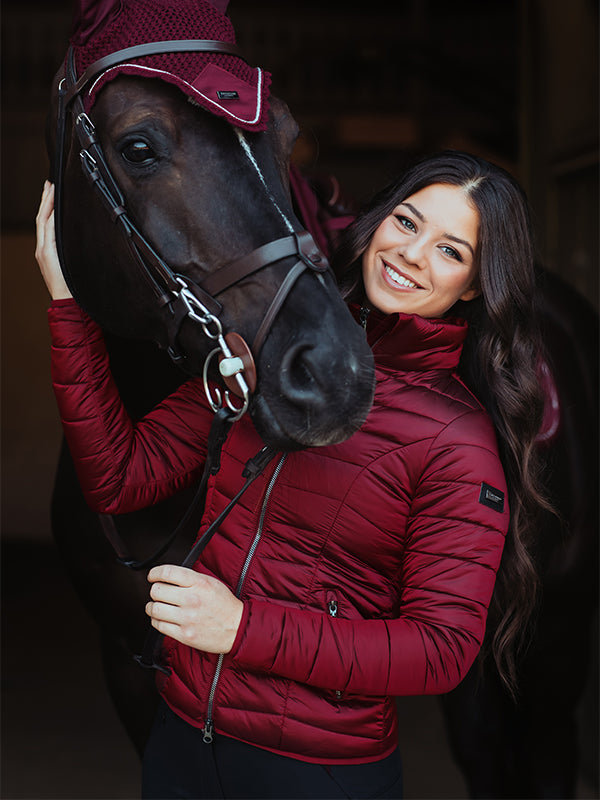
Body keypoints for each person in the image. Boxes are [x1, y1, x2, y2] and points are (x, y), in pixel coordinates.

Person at [35, 150, 549, 799]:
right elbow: (120, 477)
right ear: (377, 221)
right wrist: (67, 305)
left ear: (474, 285)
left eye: (451, 251)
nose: (414, 253)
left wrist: (241, 630)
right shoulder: (268, 351)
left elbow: (440, 650)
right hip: (183, 738)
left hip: (316, 772)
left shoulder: (456, 441)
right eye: (408, 221)